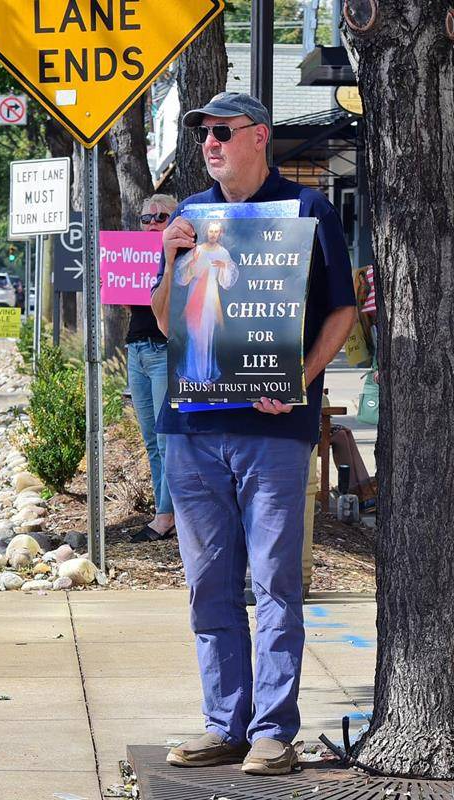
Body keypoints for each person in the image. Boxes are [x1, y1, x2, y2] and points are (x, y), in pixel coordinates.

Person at [149, 92, 357, 776]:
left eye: (220, 132)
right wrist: (170, 254)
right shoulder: (189, 215)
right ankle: (223, 723)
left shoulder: (309, 211)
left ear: (259, 137)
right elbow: (162, 321)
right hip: (193, 428)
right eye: (202, 134)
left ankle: (273, 730)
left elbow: (342, 311)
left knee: (274, 581)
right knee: (209, 587)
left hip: (273, 431)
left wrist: (299, 376)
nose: (208, 143)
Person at [126, 194, 178, 542]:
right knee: (150, 439)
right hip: (137, 349)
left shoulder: (182, 257)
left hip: (164, 350)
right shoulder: (131, 255)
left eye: (160, 217)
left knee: (165, 438)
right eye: (146, 218)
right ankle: (165, 510)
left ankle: (166, 516)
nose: (152, 223)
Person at [175, 220, 238, 384]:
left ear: (220, 233)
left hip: (211, 298)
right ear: (206, 232)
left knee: (207, 335)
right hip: (194, 295)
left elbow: (227, 280)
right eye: (211, 231)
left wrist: (224, 266)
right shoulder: (198, 250)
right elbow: (183, 275)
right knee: (193, 334)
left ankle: (204, 375)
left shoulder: (223, 253)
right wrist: (192, 263)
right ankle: (191, 373)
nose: (213, 234)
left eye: (216, 231)